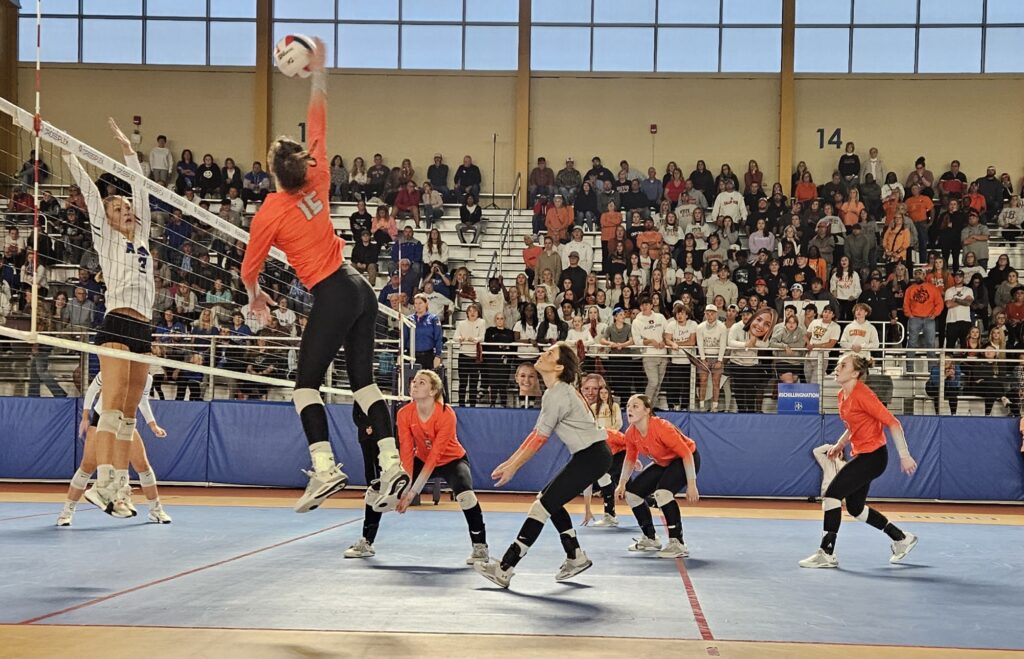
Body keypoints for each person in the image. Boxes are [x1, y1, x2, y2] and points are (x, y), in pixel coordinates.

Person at [240, 39, 408, 515]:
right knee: (363, 384)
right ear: (302, 165)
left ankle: (325, 466)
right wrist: (319, 72)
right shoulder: (318, 175)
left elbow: (248, 268)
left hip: (332, 293)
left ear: (272, 174)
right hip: (359, 287)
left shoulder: (270, 212)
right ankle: (391, 462)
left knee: (305, 385)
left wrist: (255, 297)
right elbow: (319, 121)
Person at [64, 118, 155, 518]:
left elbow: (142, 190)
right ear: (108, 216)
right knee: (113, 403)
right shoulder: (106, 237)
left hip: (144, 327)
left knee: (130, 412)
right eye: (119, 208)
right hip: (117, 321)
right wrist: (66, 148)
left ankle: (117, 486)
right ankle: (102, 483)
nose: (128, 210)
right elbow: (88, 191)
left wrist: (129, 152)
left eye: (128, 207)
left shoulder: (143, 238)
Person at [475, 343, 612, 589]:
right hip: (590, 456)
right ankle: (575, 556)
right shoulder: (555, 392)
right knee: (548, 500)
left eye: (550, 354)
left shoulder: (559, 393)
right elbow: (535, 433)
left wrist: (514, 467)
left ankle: (505, 568)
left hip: (592, 456)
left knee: (541, 507)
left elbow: (540, 439)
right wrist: (511, 461)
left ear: (559, 367)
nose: (543, 354)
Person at [343, 370, 489, 563]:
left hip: (452, 459)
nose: (414, 384)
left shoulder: (446, 414)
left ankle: (480, 547)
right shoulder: (404, 413)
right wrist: (403, 486)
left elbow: (436, 455)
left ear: (433, 390)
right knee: (376, 490)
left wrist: (411, 494)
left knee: (466, 496)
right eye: (414, 382)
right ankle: (366, 542)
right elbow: (406, 450)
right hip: (420, 457)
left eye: (421, 382)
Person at [799, 353, 919, 568]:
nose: (837, 367)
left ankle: (826, 553)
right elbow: (854, 425)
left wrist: (904, 455)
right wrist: (840, 444)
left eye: (843, 365)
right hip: (863, 455)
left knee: (833, 495)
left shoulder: (864, 395)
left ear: (855, 373)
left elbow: (893, 423)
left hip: (874, 457)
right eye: (838, 364)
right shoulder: (842, 395)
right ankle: (901, 538)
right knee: (855, 508)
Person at [58, 373, 171, 526]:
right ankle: (67, 512)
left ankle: (156, 511)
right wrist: (85, 417)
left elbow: (142, 400)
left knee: (142, 465)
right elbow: (92, 390)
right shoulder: (112, 366)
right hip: (102, 420)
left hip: (126, 422)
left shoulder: (146, 377)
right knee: (87, 466)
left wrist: (153, 425)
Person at [615, 394, 700, 558]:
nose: (630, 409)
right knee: (632, 495)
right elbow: (630, 458)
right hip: (664, 462)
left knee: (663, 493)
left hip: (685, 458)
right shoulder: (631, 433)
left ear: (647, 411)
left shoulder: (662, 427)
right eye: (629, 406)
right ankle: (650, 538)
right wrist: (622, 483)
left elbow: (686, 454)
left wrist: (692, 485)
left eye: (636, 406)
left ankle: (678, 543)